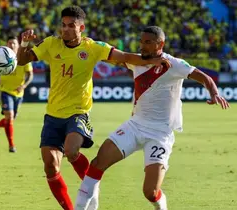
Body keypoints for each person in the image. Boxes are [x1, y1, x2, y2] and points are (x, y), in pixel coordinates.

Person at [17, 6, 171, 210]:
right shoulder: (50, 44)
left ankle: (91, 188)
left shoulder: (92, 47)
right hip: (53, 115)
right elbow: (21, 60)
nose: (65, 30)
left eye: (71, 26)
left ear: (81, 27)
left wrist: (153, 60)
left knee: (72, 151)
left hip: (78, 112)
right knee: (50, 166)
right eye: (63, 25)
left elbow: (124, 56)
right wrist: (25, 43)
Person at [74, 26, 230, 210]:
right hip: (135, 126)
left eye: (147, 42)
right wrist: (90, 44)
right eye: (141, 42)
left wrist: (214, 93)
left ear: (160, 44)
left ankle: (160, 204)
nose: (142, 46)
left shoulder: (174, 64)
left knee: (150, 191)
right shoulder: (137, 61)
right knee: (98, 163)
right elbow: (115, 55)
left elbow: (204, 77)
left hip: (160, 133)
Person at [0, 36, 34, 153]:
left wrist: (24, 85)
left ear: (18, 45)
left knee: (10, 119)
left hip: (19, 93)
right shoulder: (1, 57)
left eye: (14, 43)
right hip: (5, 91)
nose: (12, 45)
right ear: (7, 44)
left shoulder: (23, 57)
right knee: (9, 117)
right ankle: (11, 145)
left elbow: (30, 74)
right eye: (10, 43)